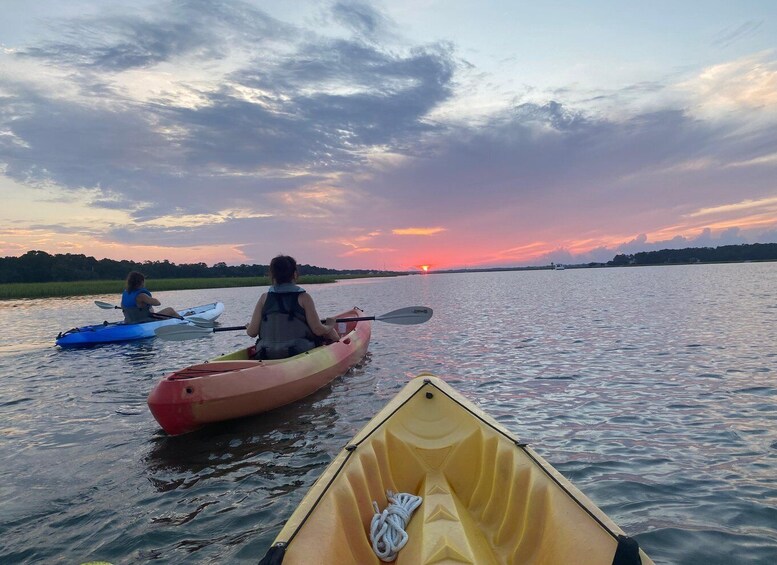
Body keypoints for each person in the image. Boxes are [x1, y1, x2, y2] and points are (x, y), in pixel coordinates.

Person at [246, 255, 340, 359]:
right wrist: (330, 325)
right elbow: (318, 329)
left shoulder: (264, 298)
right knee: (329, 332)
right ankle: (338, 352)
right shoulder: (304, 297)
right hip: (298, 353)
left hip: (266, 353)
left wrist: (248, 326)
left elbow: (252, 332)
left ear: (272, 275)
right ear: (295, 274)